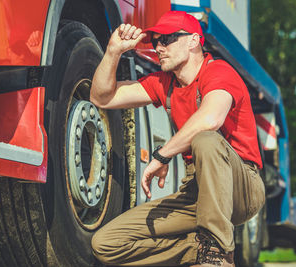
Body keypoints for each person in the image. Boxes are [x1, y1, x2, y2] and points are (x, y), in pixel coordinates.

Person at [90, 10, 265, 267]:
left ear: (194, 40)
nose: (159, 47)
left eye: (168, 39)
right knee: (105, 245)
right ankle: (198, 250)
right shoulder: (165, 84)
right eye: (155, 41)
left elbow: (210, 119)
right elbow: (102, 98)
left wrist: (162, 155)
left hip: (240, 186)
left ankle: (217, 255)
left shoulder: (219, 72)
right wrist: (113, 51)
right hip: (195, 191)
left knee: (205, 139)